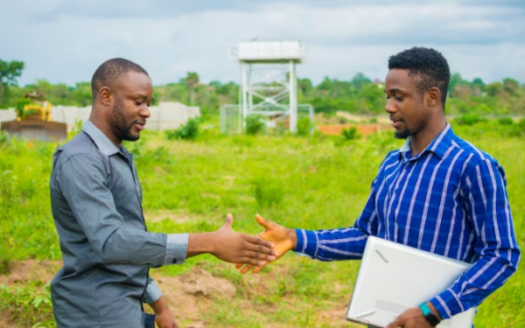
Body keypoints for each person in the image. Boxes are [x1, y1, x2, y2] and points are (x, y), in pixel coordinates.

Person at [236, 47, 521, 328]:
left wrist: (431, 312)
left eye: (399, 97)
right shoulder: (392, 164)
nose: (388, 107)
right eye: (387, 97)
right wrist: (294, 237)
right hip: (382, 320)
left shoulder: (473, 166)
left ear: (432, 97)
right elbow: (368, 236)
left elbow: (501, 256)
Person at [50, 58, 277, 328]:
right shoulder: (80, 161)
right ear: (106, 96)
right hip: (97, 312)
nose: (147, 112)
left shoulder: (115, 157)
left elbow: (131, 242)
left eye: (149, 104)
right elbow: (112, 243)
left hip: (123, 305)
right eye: (138, 101)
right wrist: (209, 243)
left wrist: (159, 304)